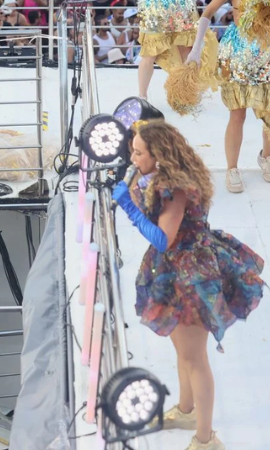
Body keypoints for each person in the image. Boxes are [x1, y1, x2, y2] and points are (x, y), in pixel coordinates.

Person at [112, 120, 264, 450]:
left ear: (160, 155)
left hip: (192, 275)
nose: (133, 158)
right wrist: (136, 188)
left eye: (138, 153)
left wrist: (127, 205)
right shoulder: (158, 175)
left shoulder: (174, 187)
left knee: (195, 359)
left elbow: (162, 238)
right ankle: (185, 410)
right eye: (132, 151)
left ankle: (206, 439)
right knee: (182, 351)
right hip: (174, 269)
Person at [186, 0, 270, 192]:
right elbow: (208, 12)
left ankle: (266, 157)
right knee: (237, 114)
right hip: (237, 53)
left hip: (266, 52)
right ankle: (232, 168)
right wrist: (196, 49)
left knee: (268, 112)